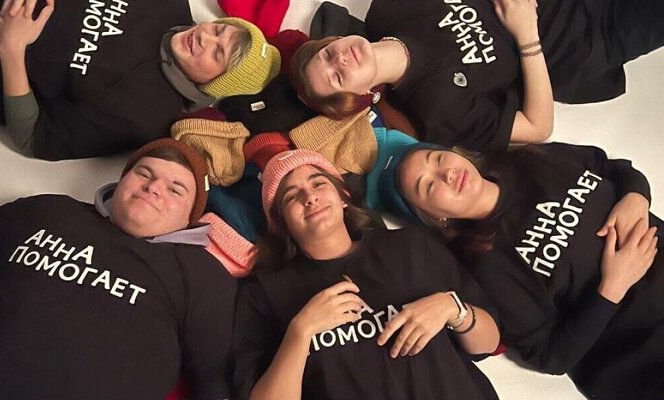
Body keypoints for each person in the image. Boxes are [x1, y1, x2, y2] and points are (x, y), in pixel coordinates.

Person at [0, 139, 238, 400]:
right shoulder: (47, 213)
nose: (153, 188)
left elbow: (215, 380)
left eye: (176, 190)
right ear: (120, 182)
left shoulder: (201, 275)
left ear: (189, 219)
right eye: (144, 174)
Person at [377, 140, 664, 399]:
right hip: (644, 351)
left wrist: (636, 196)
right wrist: (613, 287)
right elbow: (550, 355)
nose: (446, 174)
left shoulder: (528, 159)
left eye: (438, 159)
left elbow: (608, 166)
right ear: (435, 218)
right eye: (428, 186)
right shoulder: (484, 266)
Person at [232, 149, 501, 400]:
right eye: (291, 197)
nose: (310, 198)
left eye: (319, 184)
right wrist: (300, 332)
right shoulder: (264, 293)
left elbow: (489, 343)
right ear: (280, 223)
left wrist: (453, 307)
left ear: (343, 196)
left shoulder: (411, 245)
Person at [289, 0, 664, 152]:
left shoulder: (388, 9)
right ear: (361, 95)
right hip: (591, 37)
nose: (340, 60)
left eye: (328, 54)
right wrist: (526, 33)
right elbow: (538, 127)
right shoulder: (438, 111)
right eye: (337, 77)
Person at [0, 0, 281, 160]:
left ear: (214, 84)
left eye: (217, 54)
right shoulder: (169, 4)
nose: (204, 37)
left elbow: (33, 138)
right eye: (219, 30)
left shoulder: (143, 116)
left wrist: (11, 48)